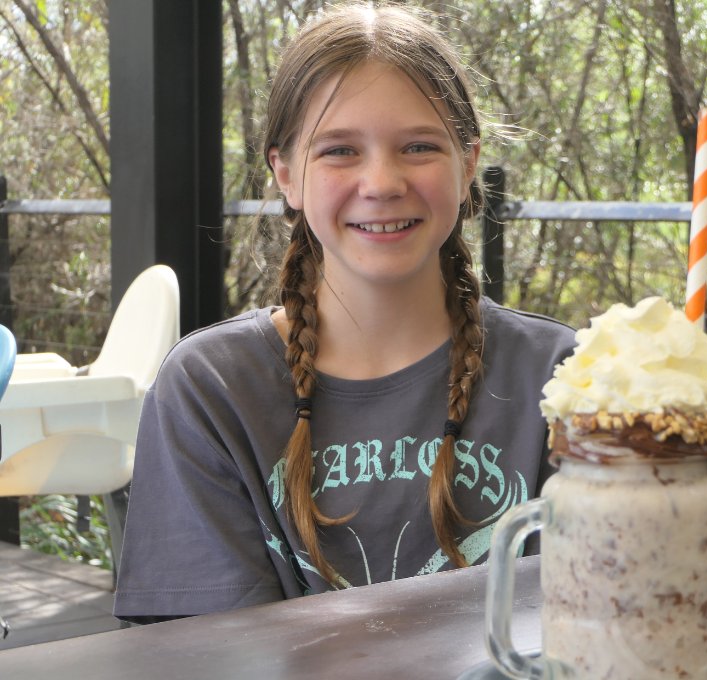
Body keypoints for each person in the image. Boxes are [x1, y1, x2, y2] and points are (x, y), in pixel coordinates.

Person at [113, 3, 575, 623]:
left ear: (467, 165)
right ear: (286, 175)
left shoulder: (564, 378)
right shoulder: (211, 389)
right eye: (339, 151)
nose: (382, 181)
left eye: (418, 146)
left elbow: (617, 614)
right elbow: (203, 653)